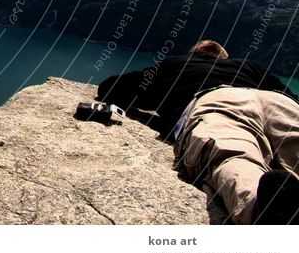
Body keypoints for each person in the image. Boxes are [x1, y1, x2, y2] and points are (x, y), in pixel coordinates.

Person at [98, 40, 299, 224]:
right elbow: (290, 95)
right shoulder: (249, 66)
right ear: (223, 58)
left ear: (193, 54)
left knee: (232, 153)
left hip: (219, 101)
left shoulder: (177, 64)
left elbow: (112, 87)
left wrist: (163, 114)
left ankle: (263, 207)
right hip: (274, 100)